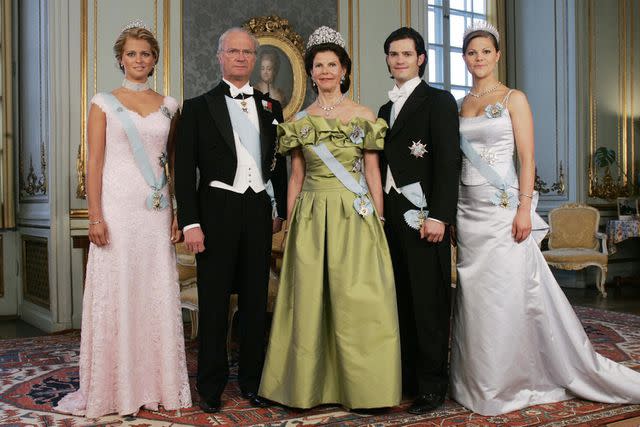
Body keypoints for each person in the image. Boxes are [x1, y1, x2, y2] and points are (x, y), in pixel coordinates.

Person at [450, 22, 640, 416]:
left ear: (497, 55)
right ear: (464, 58)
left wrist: (524, 208)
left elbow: (528, 157)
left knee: (507, 293)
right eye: (471, 53)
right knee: (476, 297)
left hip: (504, 212)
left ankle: (512, 379)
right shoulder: (461, 104)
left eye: (485, 51)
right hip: (468, 212)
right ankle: (478, 378)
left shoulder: (514, 98)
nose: (478, 58)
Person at [258, 26, 401, 410]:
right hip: (311, 213)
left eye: (331, 64)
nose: (324, 71)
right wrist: (288, 224)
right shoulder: (300, 119)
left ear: (344, 70)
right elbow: (296, 178)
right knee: (309, 301)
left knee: (358, 301)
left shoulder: (364, 115)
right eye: (318, 65)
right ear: (312, 71)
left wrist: (379, 221)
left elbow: (373, 173)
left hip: (355, 214)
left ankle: (366, 389)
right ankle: (307, 387)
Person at [54, 21, 191, 418]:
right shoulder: (102, 102)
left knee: (153, 294)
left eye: (145, 54)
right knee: (118, 292)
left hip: (155, 210)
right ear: (120, 59)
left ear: (154, 60)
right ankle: (114, 386)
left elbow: (175, 164)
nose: (139, 60)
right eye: (132, 53)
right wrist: (95, 215)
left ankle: (157, 383)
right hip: (116, 209)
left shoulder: (170, 105)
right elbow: (94, 162)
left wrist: (177, 210)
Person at [174, 27, 287, 414]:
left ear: (254, 59)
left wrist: (281, 210)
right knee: (214, 303)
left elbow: (280, 165)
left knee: (256, 303)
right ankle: (210, 386)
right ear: (219, 56)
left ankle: (253, 383)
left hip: (258, 212)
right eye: (232, 51)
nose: (240, 58)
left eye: (247, 52)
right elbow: (184, 170)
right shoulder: (198, 107)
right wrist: (190, 223)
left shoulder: (271, 108)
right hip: (216, 211)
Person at [377, 27, 460, 414]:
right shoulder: (383, 109)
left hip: (425, 215)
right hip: (393, 217)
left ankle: (432, 386)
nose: (399, 60)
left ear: (421, 58)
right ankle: (408, 378)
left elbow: (447, 161)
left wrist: (441, 216)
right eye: (393, 54)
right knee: (402, 300)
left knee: (428, 303)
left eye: (406, 54)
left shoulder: (439, 101)